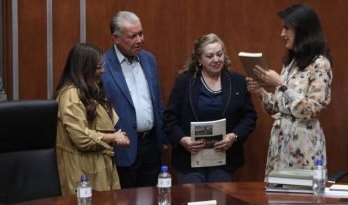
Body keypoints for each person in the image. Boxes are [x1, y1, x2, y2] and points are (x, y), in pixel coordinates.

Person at [246, 3, 333, 179]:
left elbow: (311, 109)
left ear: (302, 30)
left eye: (287, 28)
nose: (282, 34)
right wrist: (261, 92)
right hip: (279, 145)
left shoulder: (320, 64)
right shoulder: (291, 63)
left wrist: (281, 84)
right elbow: (278, 108)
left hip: (303, 148)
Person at [163, 33, 257, 183]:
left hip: (224, 160)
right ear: (199, 59)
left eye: (220, 54)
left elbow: (249, 117)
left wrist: (233, 137)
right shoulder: (184, 82)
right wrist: (182, 139)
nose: (216, 60)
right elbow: (169, 117)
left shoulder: (237, 81)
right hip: (190, 160)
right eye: (210, 56)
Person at [102, 11, 167, 188]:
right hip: (122, 148)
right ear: (116, 37)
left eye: (141, 33)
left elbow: (157, 101)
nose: (140, 40)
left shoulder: (149, 59)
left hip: (151, 146)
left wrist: (162, 138)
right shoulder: (102, 65)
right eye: (132, 36)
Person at [55, 43, 130, 195]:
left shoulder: (90, 90)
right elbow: (81, 137)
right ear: (84, 69)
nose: (102, 71)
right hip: (81, 171)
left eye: (102, 66)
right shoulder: (70, 95)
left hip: (99, 166)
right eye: (98, 67)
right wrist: (113, 137)